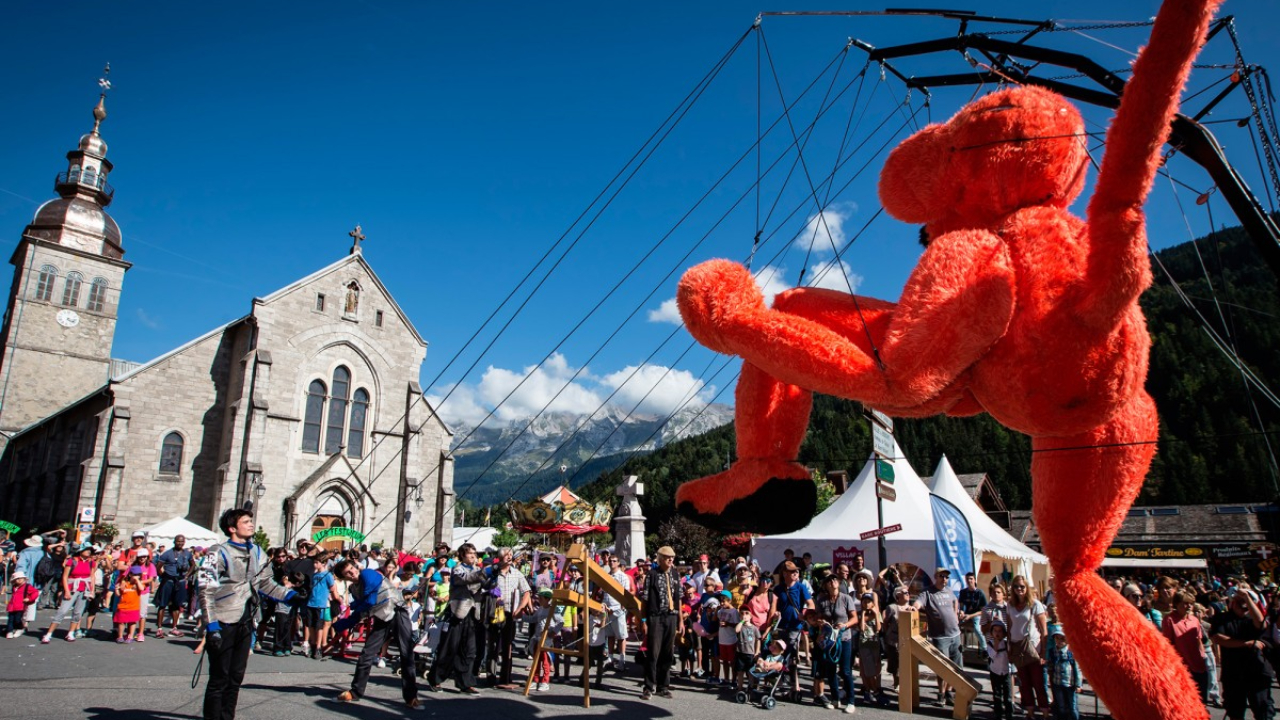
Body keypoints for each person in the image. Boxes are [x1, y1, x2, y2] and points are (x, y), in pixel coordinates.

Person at [199, 509, 299, 720]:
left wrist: (289, 596)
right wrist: (211, 624)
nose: (251, 524)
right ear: (232, 528)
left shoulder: (257, 551)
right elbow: (205, 589)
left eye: (250, 520)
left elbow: (265, 583)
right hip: (223, 620)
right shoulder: (218, 552)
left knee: (236, 677)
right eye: (245, 522)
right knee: (219, 677)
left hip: (246, 620)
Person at [329, 558, 420, 708]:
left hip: (397, 612)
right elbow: (363, 611)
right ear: (344, 578)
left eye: (352, 568)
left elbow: (369, 601)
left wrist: (355, 609)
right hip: (381, 617)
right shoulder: (354, 589)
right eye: (347, 573)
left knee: (406, 654)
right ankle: (355, 692)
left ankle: (411, 697)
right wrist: (343, 624)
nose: (352, 572)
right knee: (367, 654)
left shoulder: (367, 573)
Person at [427, 543, 490, 694]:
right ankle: (435, 678)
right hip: (457, 613)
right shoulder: (457, 569)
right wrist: (485, 572)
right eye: (469, 553)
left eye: (474, 553)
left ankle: (465, 682)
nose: (473, 556)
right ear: (462, 555)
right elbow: (467, 579)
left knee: (469, 650)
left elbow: (486, 585)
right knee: (450, 647)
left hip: (472, 613)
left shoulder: (477, 570)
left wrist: (492, 580)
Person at [1210, 587, 1275, 720]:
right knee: (1235, 711)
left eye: (1247, 603)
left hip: (1257, 672)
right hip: (1233, 673)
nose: (1243, 606)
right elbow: (1218, 638)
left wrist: (1247, 598)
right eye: (1240, 602)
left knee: (1263, 710)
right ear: (1233, 602)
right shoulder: (1221, 618)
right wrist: (1245, 644)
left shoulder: (1254, 618)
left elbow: (1261, 624)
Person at [914, 567, 962, 705]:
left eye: (946, 577)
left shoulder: (949, 591)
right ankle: (941, 694)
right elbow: (919, 602)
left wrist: (956, 614)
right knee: (942, 667)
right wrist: (913, 607)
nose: (944, 579)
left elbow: (955, 601)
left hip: (955, 634)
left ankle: (948, 692)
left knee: (955, 667)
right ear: (935, 576)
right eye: (941, 576)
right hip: (940, 636)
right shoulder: (928, 592)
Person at [486, 547, 531, 688]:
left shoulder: (517, 574)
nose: (509, 557)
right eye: (506, 555)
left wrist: (520, 608)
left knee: (508, 645)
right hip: (496, 611)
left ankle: (505, 677)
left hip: (510, 613)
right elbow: (484, 587)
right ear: (500, 558)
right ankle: (490, 676)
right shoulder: (493, 573)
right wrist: (493, 593)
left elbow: (527, 591)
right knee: (493, 645)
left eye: (511, 554)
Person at [642, 545, 682, 700]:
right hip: (656, 617)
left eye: (672, 557)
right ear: (660, 559)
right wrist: (643, 620)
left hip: (671, 616)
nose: (670, 560)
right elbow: (645, 599)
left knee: (668, 653)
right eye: (667, 557)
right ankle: (648, 687)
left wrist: (680, 621)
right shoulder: (651, 575)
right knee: (653, 653)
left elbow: (678, 598)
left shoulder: (675, 574)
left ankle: (663, 686)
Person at [769, 560, 814, 699]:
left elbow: (811, 604)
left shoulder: (801, 587)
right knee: (779, 655)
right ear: (784, 574)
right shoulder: (778, 589)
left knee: (792, 656)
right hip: (781, 626)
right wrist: (775, 614)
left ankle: (795, 686)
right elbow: (774, 605)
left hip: (795, 627)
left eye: (796, 571)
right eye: (792, 571)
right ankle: (781, 684)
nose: (796, 573)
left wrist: (804, 613)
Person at [813, 573, 857, 712]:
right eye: (829, 580)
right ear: (826, 585)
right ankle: (835, 698)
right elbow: (817, 618)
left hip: (844, 638)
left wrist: (845, 625)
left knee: (845, 670)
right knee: (831, 669)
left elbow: (854, 618)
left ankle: (851, 701)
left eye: (834, 579)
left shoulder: (846, 598)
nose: (832, 581)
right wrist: (821, 622)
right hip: (828, 639)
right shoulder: (822, 600)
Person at [1007, 575, 1050, 719]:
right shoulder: (1010, 605)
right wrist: (1009, 648)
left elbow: (1044, 630)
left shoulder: (1035, 604)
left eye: (1022, 586)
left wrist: (1043, 652)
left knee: (1038, 683)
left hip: (1033, 648)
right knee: (1024, 684)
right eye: (1016, 586)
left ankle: (1045, 713)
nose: (1019, 589)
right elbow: (1009, 627)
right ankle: (1030, 712)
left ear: (1026, 587)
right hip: (1017, 648)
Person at [42, 542, 97, 643]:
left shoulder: (91, 562)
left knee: (78, 612)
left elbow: (92, 576)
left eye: (90, 550)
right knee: (62, 611)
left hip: (84, 589)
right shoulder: (72, 561)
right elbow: (65, 576)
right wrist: (66, 591)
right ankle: (49, 634)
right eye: (86, 549)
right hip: (72, 588)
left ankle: (71, 632)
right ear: (81, 550)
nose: (88, 552)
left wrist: (92, 590)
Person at [1161, 590, 1208, 700]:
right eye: (1185, 603)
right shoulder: (1169, 620)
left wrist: (1203, 656)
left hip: (1198, 664)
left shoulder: (1194, 620)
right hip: (1182, 666)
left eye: (1191, 603)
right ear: (1177, 604)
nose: (1189, 606)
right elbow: (1168, 643)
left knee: (1201, 699)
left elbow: (1199, 640)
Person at [155, 534, 193, 638]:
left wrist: (187, 575)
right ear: (174, 542)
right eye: (178, 541)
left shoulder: (187, 553)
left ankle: (174, 628)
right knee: (162, 604)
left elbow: (193, 565)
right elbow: (158, 566)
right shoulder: (167, 553)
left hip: (180, 581)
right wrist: (163, 576)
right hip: (168, 581)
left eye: (182, 541)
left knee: (177, 605)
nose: (180, 543)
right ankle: (159, 629)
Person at [1045, 627, 1082, 720]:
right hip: (1057, 682)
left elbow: (1077, 669)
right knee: (1060, 706)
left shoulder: (1071, 652)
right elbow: (1050, 666)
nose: (1059, 641)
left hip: (1070, 683)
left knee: (1073, 706)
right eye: (1057, 638)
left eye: (1062, 638)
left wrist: (1078, 684)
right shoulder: (1052, 651)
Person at [305, 555, 335, 659]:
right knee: (310, 625)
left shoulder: (327, 575)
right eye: (314, 562)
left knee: (319, 626)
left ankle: (318, 647)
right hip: (311, 602)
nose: (314, 564)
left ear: (323, 563)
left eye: (317, 563)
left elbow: (332, 587)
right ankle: (313, 644)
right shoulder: (314, 575)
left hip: (320, 604)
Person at [987, 619, 1014, 720]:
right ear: (992, 632)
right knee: (997, 694)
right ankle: (998, 713)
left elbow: (1011, 657)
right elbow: (992, 655)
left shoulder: (1007, 643)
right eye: (995, 631)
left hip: (1006, 672)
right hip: (995, 672)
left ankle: (1009, 713)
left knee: (1008, 695)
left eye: (1000, 631)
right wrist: (996, 644)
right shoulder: (990, 644)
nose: (997, 633)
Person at [959, 571, 988, 655]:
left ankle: (984, 648)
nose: (969, 581)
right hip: (966, 614)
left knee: (977, 629)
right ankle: (959, 646)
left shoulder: (980, 593)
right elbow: (961, 606)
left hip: (977, 615)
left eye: (971, 579)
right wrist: (961, 612)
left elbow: (983, 611)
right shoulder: (963, 592)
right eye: (967, 579)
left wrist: (970, 616)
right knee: (954, 625)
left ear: (975, 580)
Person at [5, 570, 39, 637]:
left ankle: (20, 628)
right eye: (16, 579)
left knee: (17, 619)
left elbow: (35, 592)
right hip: (12, 606)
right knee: (10, 619)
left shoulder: (27, 586)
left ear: (24, 579)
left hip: (20, 606)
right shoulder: (14, 587)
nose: (18, 580)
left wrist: (29, 598)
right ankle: (9, 631)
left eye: (20, 578)